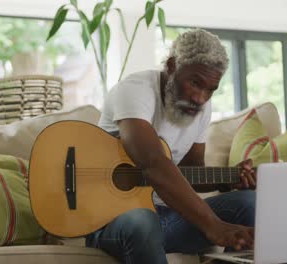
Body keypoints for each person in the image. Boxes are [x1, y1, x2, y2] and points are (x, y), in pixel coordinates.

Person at [86, 29, 256, 264]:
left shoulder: (202, 109)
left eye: (210, 89)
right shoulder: (135, 90)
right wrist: (214, 226)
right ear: (172, 65)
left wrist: (227, 179)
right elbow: (153, 163)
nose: (201, 98)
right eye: (195, 82)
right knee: (143, 220)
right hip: (112, 222)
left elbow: (191, 173)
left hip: (165, 220)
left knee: (249, 203)